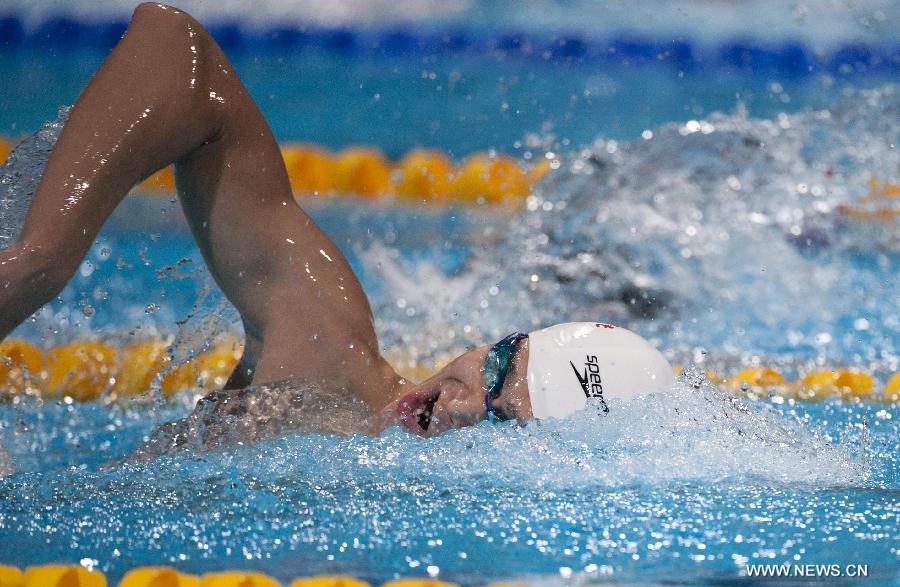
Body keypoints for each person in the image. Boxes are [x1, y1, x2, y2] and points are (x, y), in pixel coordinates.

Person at [0, 3, 674, 443]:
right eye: (497, 365)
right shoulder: (328, 344)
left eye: (503, 421)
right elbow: (181, 52)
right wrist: (44, 256)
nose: (466, 402)